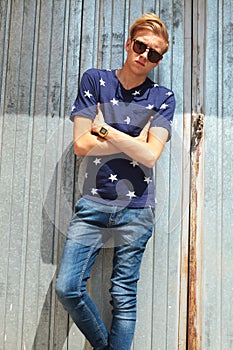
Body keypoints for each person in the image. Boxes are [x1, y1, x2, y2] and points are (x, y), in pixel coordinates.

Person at [56, 12, 175, 350]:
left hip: (138, 210)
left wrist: (105, 130)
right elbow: (81, 145)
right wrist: (135, 141)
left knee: (123, 295)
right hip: (93, 203)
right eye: (141, 46)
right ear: (128, 43)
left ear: (158, 60)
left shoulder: (163, 97)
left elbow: (151, 157)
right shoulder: (95, 81)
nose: (145, 56)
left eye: (154, 54)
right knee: (67, 287)